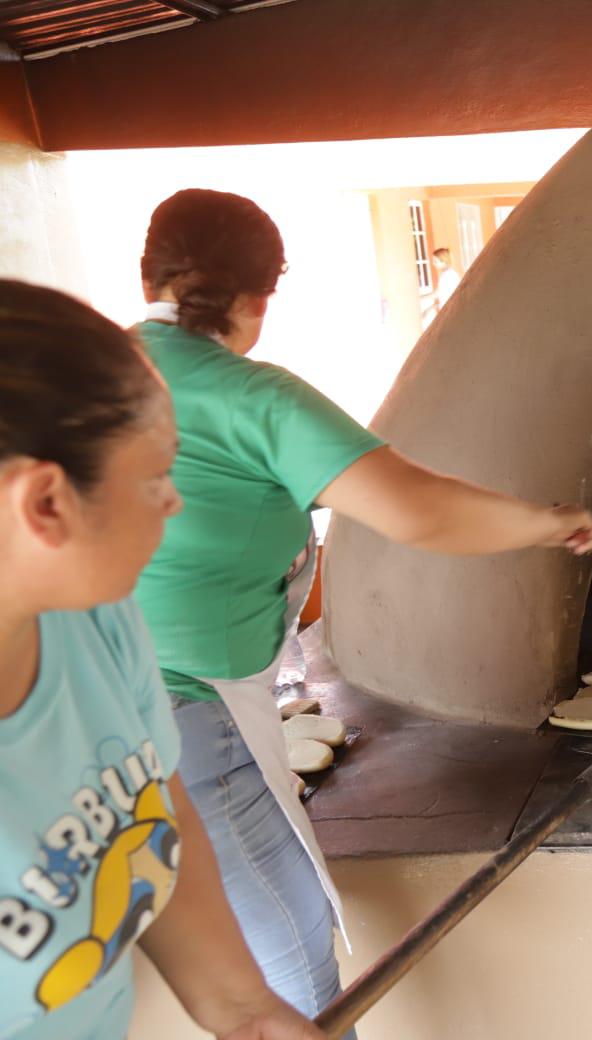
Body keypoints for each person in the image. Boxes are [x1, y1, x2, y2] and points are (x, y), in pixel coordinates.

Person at [131, 189, 592, 1027]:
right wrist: (550, 520)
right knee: (284, 971)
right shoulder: (250, 397)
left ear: (150, 275)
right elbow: (415, 508)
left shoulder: (99, 371)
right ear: (256, 298)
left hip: (110, 702)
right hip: (185, 721)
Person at [0, 280, 321, 1040]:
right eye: (154, 478)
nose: (172, 502)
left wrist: (243, 1009)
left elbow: (152, 804)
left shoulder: (93, 621)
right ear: (46, 504)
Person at [431, 247, 462, 312]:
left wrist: (417, 298)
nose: (433, 264)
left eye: (435, 261)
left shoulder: (449, 275)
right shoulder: (446, 274)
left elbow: (437, 294)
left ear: (443, 261)